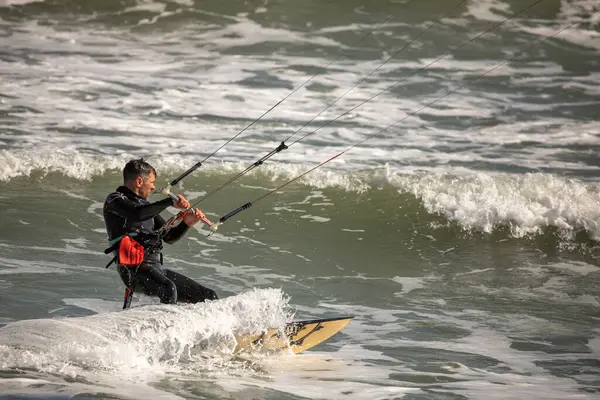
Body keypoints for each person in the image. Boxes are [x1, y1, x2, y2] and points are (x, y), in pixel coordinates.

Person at [103, 158, 218, 305]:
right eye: (151, 182)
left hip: (156, 269)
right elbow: (137, 214)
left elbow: (169, 237)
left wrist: (187, 223)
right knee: (168, 288)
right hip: (133, 269)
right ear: (139, 182)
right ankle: (167, 328)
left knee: (209, 296)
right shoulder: (115, 200)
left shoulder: (146, 207)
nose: (153, 187)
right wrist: (170, 201)